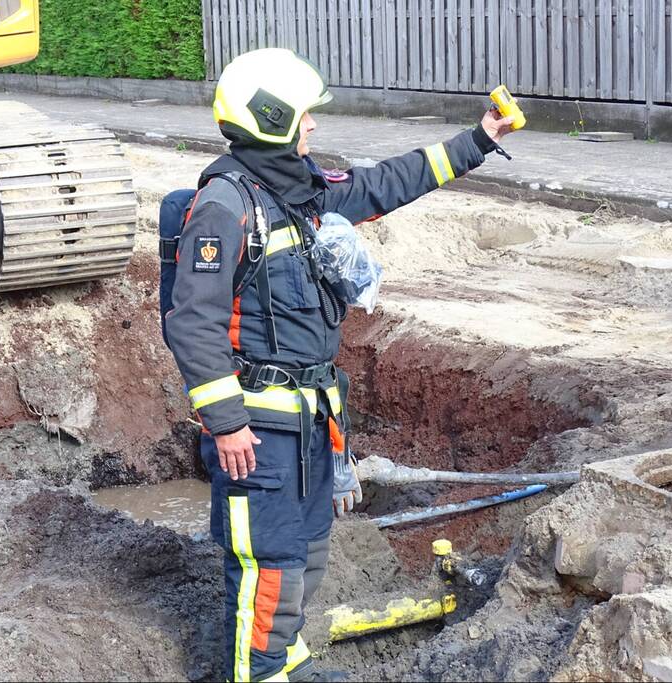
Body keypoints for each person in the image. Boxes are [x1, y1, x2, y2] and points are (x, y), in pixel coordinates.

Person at [164, 48, 516, 682]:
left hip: (313, 419)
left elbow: (383, 184)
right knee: (267, 561)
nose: (314, 127)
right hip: (258, 429)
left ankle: (287, 656)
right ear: (270, 118)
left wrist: (478, 141)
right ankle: (261, 673)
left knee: (308, 554)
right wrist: (224, 421)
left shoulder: (298, 191)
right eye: (305, 116)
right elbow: (192, 321)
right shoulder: (224, 206)